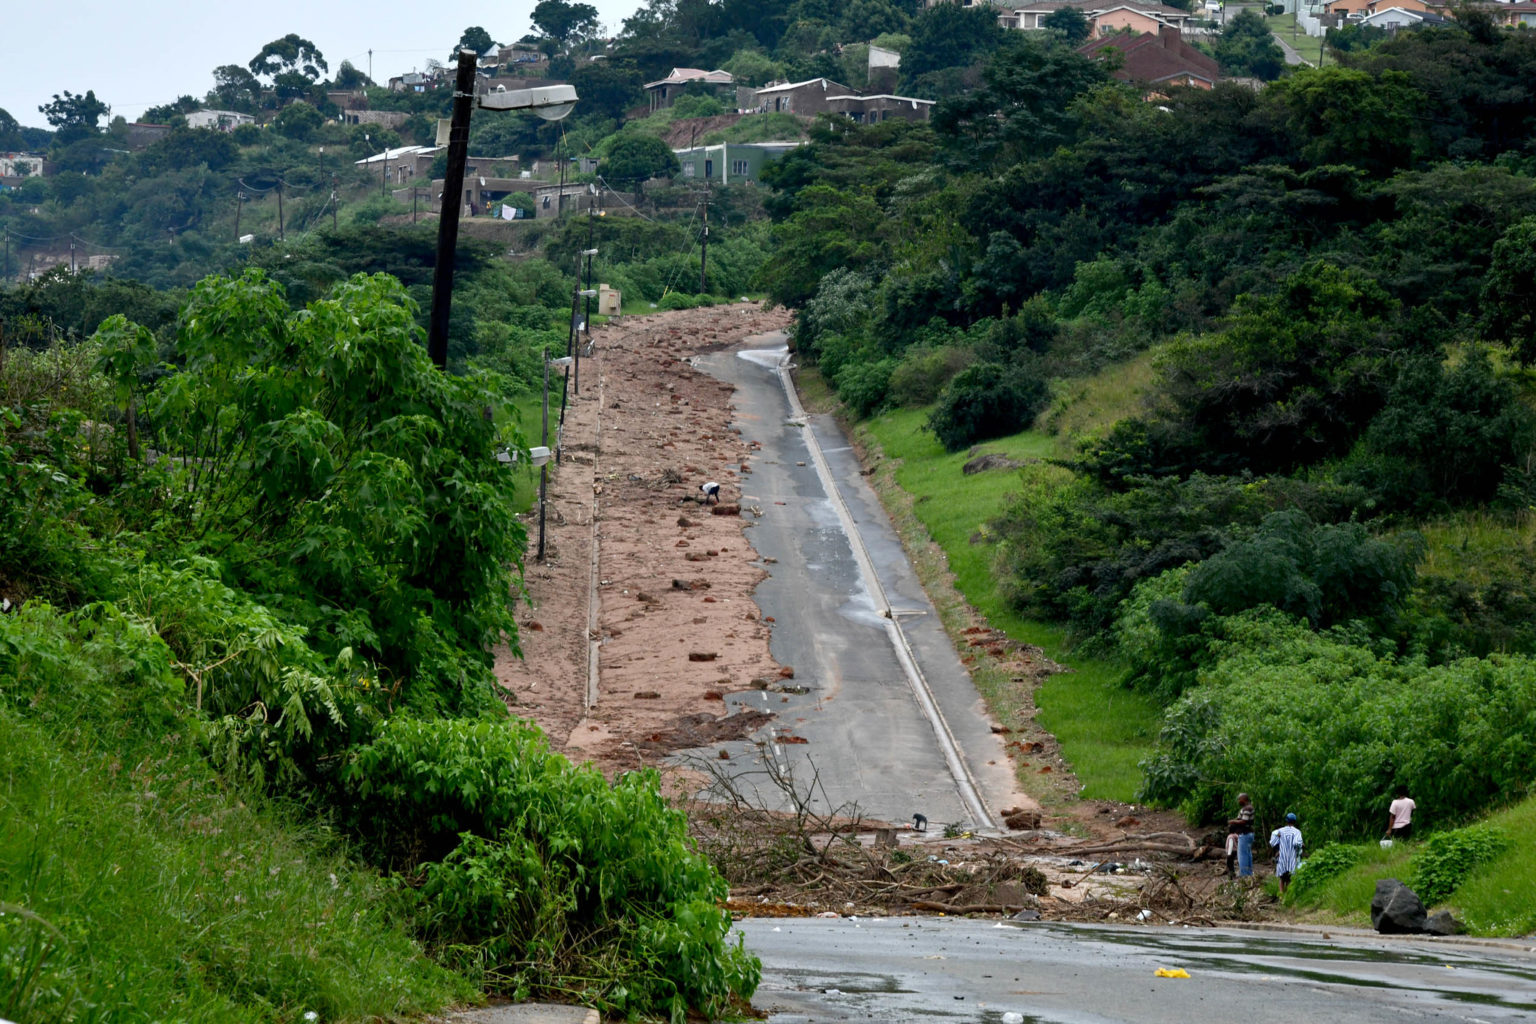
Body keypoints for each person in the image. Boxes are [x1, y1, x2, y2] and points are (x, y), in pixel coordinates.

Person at [1270, 812, 1304, 894]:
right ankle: (1288, 895)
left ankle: (1281, 895)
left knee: (1282, 878)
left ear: (1286, 821)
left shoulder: (1279, 831)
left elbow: (1272, 842)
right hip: (1292, 857)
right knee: (1290, 877)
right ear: (1295, 821)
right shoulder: (1297, 832)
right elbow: (1297, 843)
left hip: (1282, 857)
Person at [1228, 793, 1255, 878]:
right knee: (1248, 854)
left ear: (1244, 799)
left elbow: (1244, 821)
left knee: (1242, 855)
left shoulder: (1247, 808)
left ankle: (1244, 875)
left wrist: (1233, 821)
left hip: (1245, 834)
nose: (1238, 801)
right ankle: (1249, 874)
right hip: (1248, 834)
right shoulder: (1249, 807)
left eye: (1239, 799)